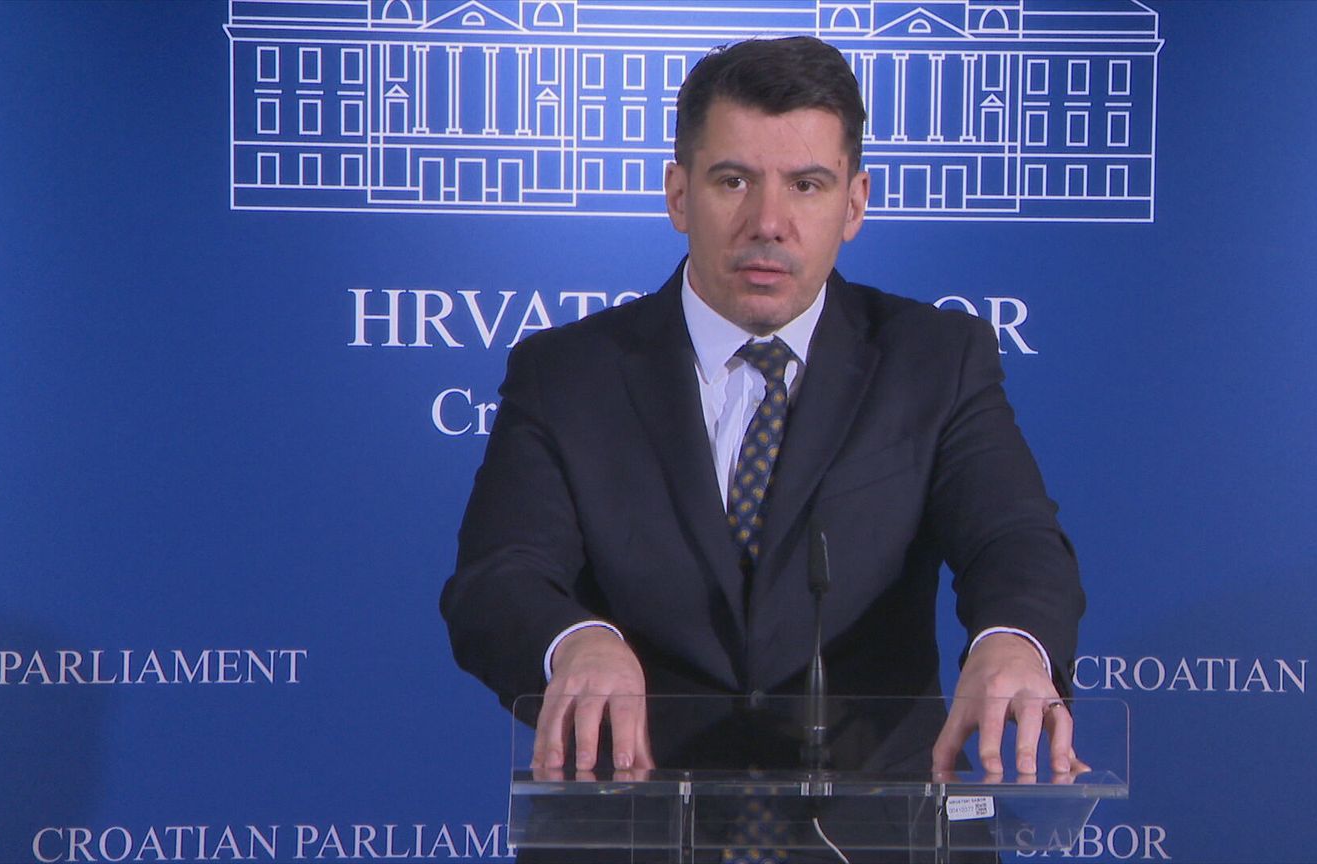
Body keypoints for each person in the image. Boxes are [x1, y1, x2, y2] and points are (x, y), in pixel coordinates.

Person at [441, 36, 1085, 789]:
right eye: (733, 181)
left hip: (875, 821)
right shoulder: (565, 375)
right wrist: (575, 641)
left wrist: (1012, 642)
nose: (768, 222)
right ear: (678, 195)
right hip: (634, 817)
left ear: (854, 204)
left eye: (807, 185)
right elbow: (500, 576)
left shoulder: (936, 361)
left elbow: (1012, 539)